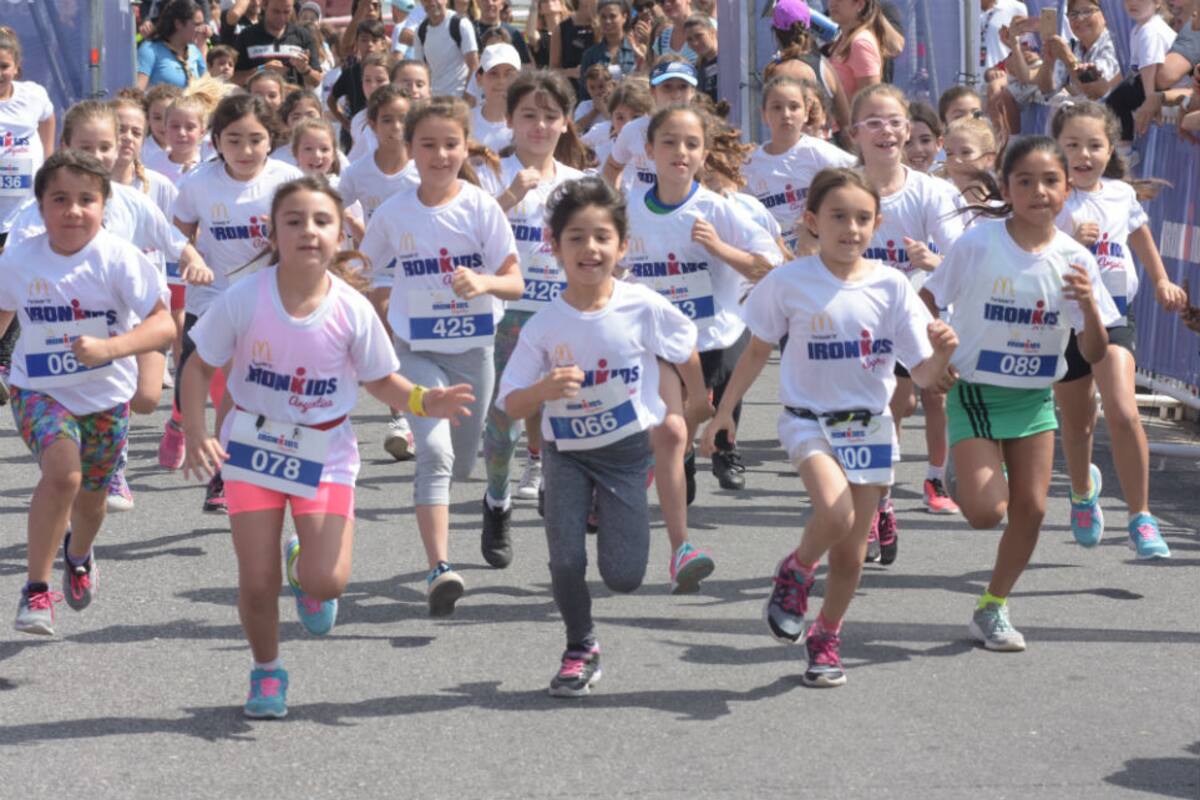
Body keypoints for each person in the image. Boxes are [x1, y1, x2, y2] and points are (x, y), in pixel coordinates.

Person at [180, 175, 474, 718]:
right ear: (272, 233)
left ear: (341, 235)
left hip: (325, 452)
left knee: (328, 581)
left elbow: (380, 379)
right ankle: (267, 671)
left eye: (321, 221)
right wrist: (197, 431)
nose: (308, 231)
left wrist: (422, 401)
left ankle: (305, 569)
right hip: (252, 448)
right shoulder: (243, 298)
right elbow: (198, 368)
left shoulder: (351, 308)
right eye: (293, 221)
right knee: (257, 580)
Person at [701, 167, 957, 687]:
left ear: (877, 224)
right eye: (839, 216)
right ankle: (796, 570)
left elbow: (924, 374)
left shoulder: (891, 286)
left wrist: (944, 355)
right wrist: (724, 412)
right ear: (814, 221)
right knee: (836, 513)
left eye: (863, 218)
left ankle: (826, 636)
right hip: (808, 421)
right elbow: (756, 351)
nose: (851, 228)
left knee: (851, 553)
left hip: (871, 426)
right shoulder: (788, 282)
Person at [496, 176, 700, 697]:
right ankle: (579, 646)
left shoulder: (642, 305)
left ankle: (603, 506)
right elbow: (509, 402)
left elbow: (685, 346)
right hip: (566, 453)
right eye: (577, 237)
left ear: (622, 246)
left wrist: (699, 402)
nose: (590, 248)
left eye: (602, 237)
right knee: (566, 558)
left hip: (627, 456)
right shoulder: (544, 326)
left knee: (623, 576)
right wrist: (543, 389)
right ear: (554, 246)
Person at [920, 136, 1121, 652]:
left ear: (1067, 188)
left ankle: (993, 606)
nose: (1039, 191)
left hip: (1033, 399)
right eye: (1025, 181)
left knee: (1031, 510)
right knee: (987, 513)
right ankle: (962, 471)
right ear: (1006, 189)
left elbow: (1095, 351)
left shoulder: (1076, 260)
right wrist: (933, 359)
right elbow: (926, 299)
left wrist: (1089, 308)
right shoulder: (979, 244)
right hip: (977, 392)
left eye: (1050, 181)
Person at [0, 150, 173, 636]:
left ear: (103, 205)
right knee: (63, 475)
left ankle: (77, 556)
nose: (73, 210)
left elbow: (163, 325)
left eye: (86, 200)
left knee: (92, 499)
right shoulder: (18, 260)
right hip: (39, 389)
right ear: (40, 207)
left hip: (105, 396)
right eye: (60, 199)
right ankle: (36, 589)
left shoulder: (120, 259)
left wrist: (111, 349)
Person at [360, 97, 522, 616]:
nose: (440, 155)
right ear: (410, 149)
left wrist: (485, 282)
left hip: (473, 351)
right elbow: (360, 268)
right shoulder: (393, 213)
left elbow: (515, 281)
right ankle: (440, 568)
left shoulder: (481, 207)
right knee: (435, 452)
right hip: (416, 349)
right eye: (427, 144)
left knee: (464, 462)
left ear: (464, 148)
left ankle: (489, 504)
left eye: (450, 144)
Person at [624, 105, 783, 500]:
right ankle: (680, 457)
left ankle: (713, 449)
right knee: (672, 418)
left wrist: (719, 248)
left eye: (692, 144)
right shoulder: (628, 207)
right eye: (669, 142)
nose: (681, 151)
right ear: (649, 150)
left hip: (716, 334)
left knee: (703, 406)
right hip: (660, 338)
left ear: (704, 155)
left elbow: (769, 266)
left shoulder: (717, 209)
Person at [1051, 100, 1184, 559]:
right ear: (1057, 149)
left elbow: (1139, 234)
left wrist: (1161, 279)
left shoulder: (1120, 195)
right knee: (1077, 421)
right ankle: (1082, 493)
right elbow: (1032, 249)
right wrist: (1070, 241)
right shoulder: (1050, 196)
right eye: (1072, 145)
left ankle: (1140, 516)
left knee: (1124, 411)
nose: (1083, 155)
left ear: (1111, 150)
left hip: (1113, 314)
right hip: (1063, 318)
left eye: (1094, 145)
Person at [161, 93, 305, 513]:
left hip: (270, 295)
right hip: (215, 296)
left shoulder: (287, 180)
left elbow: (311, 233)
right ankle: (221, 470)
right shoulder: (198, 183)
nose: (245, 150)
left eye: (256, 140)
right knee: (238, 379)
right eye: (234, 140)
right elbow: (178, 234)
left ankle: (230, 461)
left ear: (271, 140)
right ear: (217, 141)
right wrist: (191, 259)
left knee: (251, 386)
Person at [476, 70, 589, 569]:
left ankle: (551, 483)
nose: (539, 126)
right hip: (506, 316)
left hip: (562, 314)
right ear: (510, 119)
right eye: (528, 116)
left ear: (565, 122)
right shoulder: (486, 174)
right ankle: (497, 502)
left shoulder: (579, 184)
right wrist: (507, 199)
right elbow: (464, 237)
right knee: (503, 419)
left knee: (563, 412)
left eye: (550, 116)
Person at [852, 84, 965, 545]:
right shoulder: (842, 185)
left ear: (906, 130)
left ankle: (917, 485)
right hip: (854, 320)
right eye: (874, 122)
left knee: (912, 400)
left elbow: (962, 254)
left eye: (894, 122)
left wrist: (934, 260)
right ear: (855, 133)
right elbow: (813, 246)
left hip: (912, 314)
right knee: (873, 411)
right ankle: (875, 498)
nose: (886, 130)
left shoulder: (931, 191)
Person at [742, 76, 856, 256]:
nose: (786, 114)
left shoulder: (820, 153)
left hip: (819, 254)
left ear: (806, 113)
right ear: (764, 114)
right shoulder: (750, 164)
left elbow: (861, 177)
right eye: (777, 107)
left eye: (794, 107)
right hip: (773, 257)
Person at [0, 28, 56, 386]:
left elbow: (47, 117)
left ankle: (4, 359)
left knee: (17, 280)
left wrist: (47, 156)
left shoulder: (33, 95)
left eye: (3, 66)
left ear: (16, 67)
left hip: (23, 209)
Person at [602, 57, 698, 194]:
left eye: (683, 87)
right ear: (653, 91)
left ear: (693, 91)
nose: (676, 95)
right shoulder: (633, 129)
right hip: (642, 206)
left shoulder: (704, 131)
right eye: (667, 87)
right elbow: (613, 165)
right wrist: (614, 202)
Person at [1106, 0, 1178, 148]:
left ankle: (1125, 147)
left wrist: (1150, 101)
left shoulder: (1150, 30)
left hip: (1165, 86)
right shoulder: (1140, 29)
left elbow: (1150, 68)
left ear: (1157, 3)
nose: (1132, 3)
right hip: (1150, 81)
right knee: (1117, 96)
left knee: (1116, 100)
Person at [329, 19, 390, 154]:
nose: (369, 45)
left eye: (375, 40)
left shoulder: (392, 68)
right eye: (364, 40)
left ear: (383, 44)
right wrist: (345, 122)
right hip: (358, 129)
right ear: (356, 43)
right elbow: (331, 100)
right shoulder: (350, 72)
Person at [232, 0, 323, 90]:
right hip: (257, 99)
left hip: (293, 98)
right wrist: (262, 69)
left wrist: (304, 69)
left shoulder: (303, 36)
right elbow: (234, 78)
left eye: (286, 12)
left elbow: (316, 81)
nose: (281, 17)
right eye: (276, 11)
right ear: (264, 5)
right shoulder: (247, 36)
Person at [825, 0, 904, 100]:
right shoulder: (841, 39)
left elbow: (870, 100)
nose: (832, 3)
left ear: (860, 4)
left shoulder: (860, 44)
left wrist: (874, 10)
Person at [578, 0, 645, 99]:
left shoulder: (638, 50)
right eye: (603, 17)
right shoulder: (590, 55)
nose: (607, 21)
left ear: (624, 17)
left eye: (612, 16)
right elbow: (584, 94)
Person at [137, 0, 209, 90]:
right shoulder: (150, 50)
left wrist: (202, 46)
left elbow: (206, 88)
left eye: (202, 24)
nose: (202, 29)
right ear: (178, 24)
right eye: (197, 24)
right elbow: (138, 92)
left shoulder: (195, 51)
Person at [551, 0, 596, 95]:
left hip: (600, 93)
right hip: (573, 93)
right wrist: (571, 72)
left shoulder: (604, 27)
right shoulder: (562, 29)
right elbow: (552, 71)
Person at [476, 0, 534, 64]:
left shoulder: (514, 34)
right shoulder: (470, 31)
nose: (490, 3)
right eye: (485, 0)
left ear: (502, 4)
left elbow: (525, 64)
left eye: (494, 0)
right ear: (478, 2)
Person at [651, 0, 700, 65]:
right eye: (661, 1)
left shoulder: (707, 29)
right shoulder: (661, 39)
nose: (667, 4)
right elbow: (658, 69)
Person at [683, 15, 718, 102]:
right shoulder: (696, 70)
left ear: (712, 32)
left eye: (699, 36)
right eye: (689, 39)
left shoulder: (730, 60)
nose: (695, 43)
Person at [902, 101, 943, 174]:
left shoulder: (951, 179)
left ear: (938, 143)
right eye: (907, 142)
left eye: (925, 140)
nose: (917, 149)